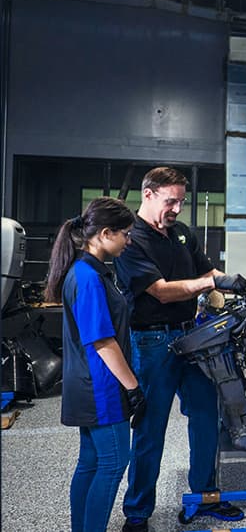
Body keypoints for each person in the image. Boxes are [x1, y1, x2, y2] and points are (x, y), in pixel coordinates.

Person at [114, 167, 246, 532]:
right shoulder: (131, 240)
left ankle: (205, 496)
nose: (176, 208)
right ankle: (138, 512)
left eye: (181, 202)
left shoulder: (181, 234)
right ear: (148, 194)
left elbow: (209, 271)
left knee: (208, 418)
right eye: (169, 200)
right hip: (152, 342)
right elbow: (160, 290)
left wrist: (234, 284)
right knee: (150, 428)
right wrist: (208, 282)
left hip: (193, 340)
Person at [44, 197, 146, 532]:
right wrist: (133, 387)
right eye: (125, 235)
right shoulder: (87, 277)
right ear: (104, 233)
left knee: (90, 462)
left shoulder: (91, 272)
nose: (128, 241)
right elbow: (102, 342)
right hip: (100, 386)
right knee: (115, 463)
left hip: (88, 383)